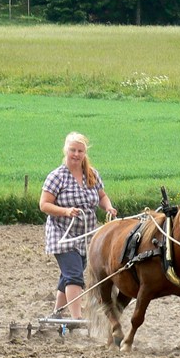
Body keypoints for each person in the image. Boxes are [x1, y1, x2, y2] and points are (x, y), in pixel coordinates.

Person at [39, 132, 117, 320]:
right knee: (74, 275)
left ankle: (56, 314)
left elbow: (101, 196)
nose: (76, 154)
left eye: (80, 151)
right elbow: (44, 204)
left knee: (69, 274)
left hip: (86, 235)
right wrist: (65, 211)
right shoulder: (57, 176)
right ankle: (77, 318)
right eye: (73, 150)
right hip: (62, 234)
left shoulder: (91, 174)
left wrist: (108, 207)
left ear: (85, 153)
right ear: (66, 150)